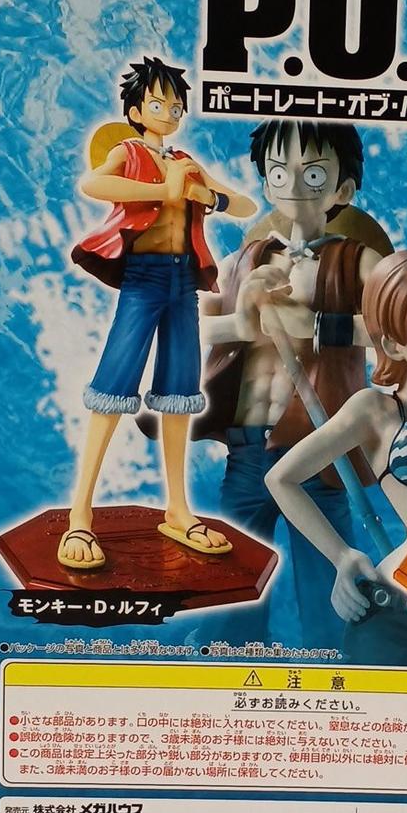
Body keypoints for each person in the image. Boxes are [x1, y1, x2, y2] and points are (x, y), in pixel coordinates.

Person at [58, 56, 256, 570]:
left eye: (176, 106)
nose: (169, 112)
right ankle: (80, 513)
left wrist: (205, 195)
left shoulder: (185, 160)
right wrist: (162, 191)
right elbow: (94, 185)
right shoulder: (127, 152)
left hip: (183, 283)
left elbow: (245, 206)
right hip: (143, 281)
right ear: (135, 111)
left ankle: (178, 509)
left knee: (179, 393)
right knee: (112, 387)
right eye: (157, 103)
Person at [193, 119, 384, 648]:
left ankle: (336, 676)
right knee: (229, 589)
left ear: (342, 189)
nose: (295, 184)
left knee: (333, 598)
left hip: (318, 454)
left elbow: (398, 332)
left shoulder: (357, 261)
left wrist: (316, 325)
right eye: (280, 172)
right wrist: (243, 319)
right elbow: (190, 325)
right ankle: (224, 675)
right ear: (265, 181)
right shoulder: (245, 261)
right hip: (248, 451)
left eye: (314, 173)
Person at [266, 250, 407, 627]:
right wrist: (341, 556)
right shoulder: (373, 409)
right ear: (391, 343)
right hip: (398, 597)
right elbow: (280, 479)